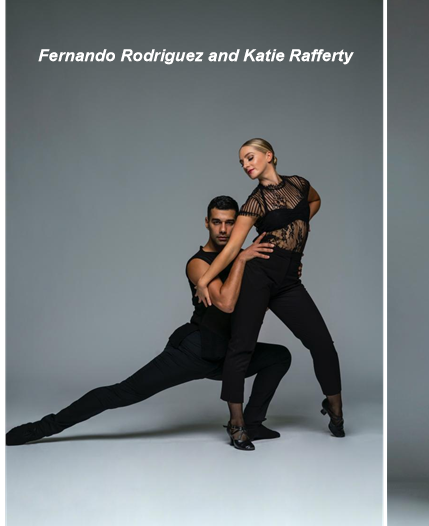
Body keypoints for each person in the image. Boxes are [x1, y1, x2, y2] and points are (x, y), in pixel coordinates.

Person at [6, 196, 292, 446]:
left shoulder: (243, 259)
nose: (223, 229)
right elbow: (227, 303)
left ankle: (251, 424)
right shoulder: (199, 263)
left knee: (279, 356)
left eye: (230, 223)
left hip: (230, 354)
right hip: (195, 350)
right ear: (206, 222)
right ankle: (44, 427)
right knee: (124, 393)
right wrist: (242, 260)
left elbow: (256, 305)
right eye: (217, 222)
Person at [194, 138, 343, 451]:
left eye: (250, 158)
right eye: (242, 162)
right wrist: (204, 279)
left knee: (321, 343)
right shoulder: (254, 202)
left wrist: (298, 228)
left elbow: (314, 203)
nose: (246, 165)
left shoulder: (300, 184)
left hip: (288, 279)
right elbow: (234, 247)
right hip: (258, 276)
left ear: (269, 156)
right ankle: (237, 424)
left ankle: (335, 409)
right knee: (241, 347)